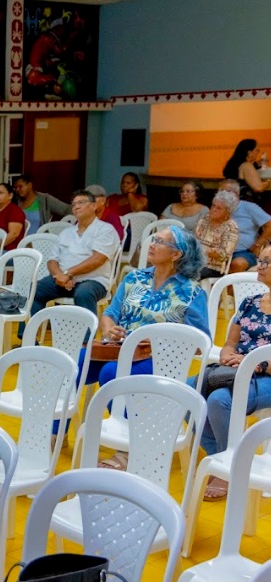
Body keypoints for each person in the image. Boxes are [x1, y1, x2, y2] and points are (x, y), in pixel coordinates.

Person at [90, 225, 208, 472]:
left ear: (177, 255)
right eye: (153, 238)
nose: (151, 244)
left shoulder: (191, 291)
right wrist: (110, 328)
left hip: (160, 358)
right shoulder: (134, 278)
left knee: (111, 374)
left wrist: (161, 342)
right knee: (75, 364)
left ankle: (129, 446)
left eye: (160, 242)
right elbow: (109, 314)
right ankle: (54, 434)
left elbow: (201, 340)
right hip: (119, 348)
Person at [190, 246, 271, 501]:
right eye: (261, 259)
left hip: (265, 375)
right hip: (237, 370)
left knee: (219, 401)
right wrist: (227, 354)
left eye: (268, 261)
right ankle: (225, 458)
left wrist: (255, 364)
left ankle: (226, 469)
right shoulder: (251, 302)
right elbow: (230, 343)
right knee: (188, 390)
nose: (261, 265)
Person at [23, 190, 120, 335]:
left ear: (94, 206)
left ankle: (86, 344)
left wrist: (68, 274)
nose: (76, 207)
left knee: (84, 293)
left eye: (81, 203)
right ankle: (27, 337)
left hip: (93, 280)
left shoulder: (105, 230)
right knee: (34, 289)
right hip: (62, 280)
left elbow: (98, 259)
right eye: (73, 204)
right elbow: (52, 260)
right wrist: (60, 276)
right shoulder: (66, 233)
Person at [220, 179, 271, 273]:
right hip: (217, 252)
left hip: (242, 252)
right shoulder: (217, 208)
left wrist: (258, 244)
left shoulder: (249, 207)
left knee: (238, 264)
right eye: (219, 192)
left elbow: (269, 224)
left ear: (235, 193)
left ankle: (225, 287)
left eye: (224, 192)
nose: (220, 195)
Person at [195, 190, 239, 279]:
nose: (214, 209)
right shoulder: (204, 219)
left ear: (228, 212)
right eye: (213, 205)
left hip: (213, 268)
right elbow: (194, 240)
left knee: (188, 272)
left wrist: (206, 251)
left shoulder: (231, 227)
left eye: (219, 208)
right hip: (195, 261)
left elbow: (224, 255)